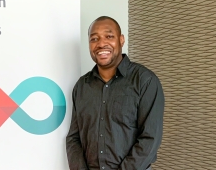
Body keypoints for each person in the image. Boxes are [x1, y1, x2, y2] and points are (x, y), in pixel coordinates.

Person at [66, 16, 165, 170]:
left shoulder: (145, 81)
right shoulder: (82, 86)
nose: (101, 43)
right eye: (94, 39)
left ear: (121, 40)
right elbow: (74, 138)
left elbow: (150, 140)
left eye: (109, 36)